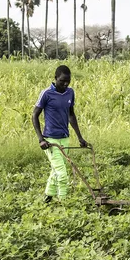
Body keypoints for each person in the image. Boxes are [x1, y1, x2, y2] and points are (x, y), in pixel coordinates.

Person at [32, 65, 88, 202]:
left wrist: (80, 137)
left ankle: (48, 196)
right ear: (55, 78)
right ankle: (64, 203)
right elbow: (34, 116)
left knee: (56, 170)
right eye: (62, 81)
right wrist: (41, 139)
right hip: (50, 140)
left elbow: (71, 115)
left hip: (65, 138)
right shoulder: (46, 94)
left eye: (68, 81)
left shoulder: (70, 93)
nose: (65, 84)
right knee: (62, 174)